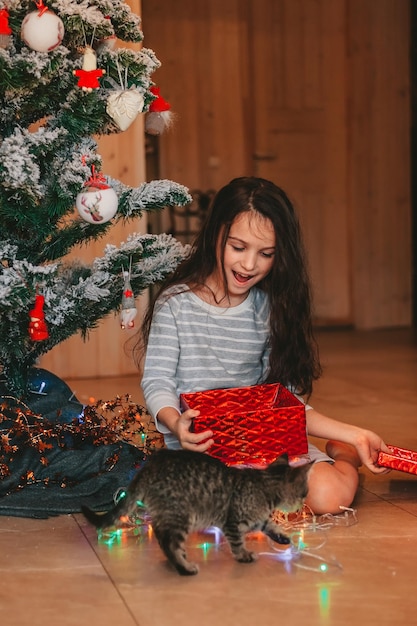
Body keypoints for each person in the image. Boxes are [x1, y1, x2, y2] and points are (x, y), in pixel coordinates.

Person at [139, 176, 390, 515]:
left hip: (263, 447)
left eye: (266, 253)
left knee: (327, 496)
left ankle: (343, 454)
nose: (249, 265)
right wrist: (174, 422)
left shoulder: (271, 308)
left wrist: (355, 435)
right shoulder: (175, 304)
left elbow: (287, 403)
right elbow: (158, 381)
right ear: (216, 234)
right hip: (200, 454)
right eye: (238, 247)